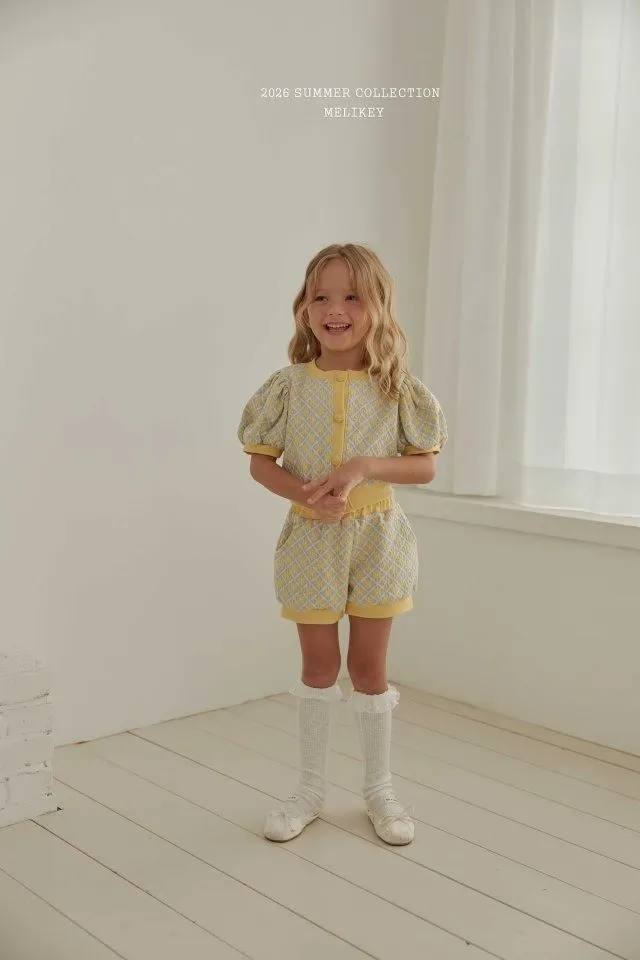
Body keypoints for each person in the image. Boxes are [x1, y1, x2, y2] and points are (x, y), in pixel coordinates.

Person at [238, 242, 447, 846]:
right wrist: (307, 496)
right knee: (319, 667)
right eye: (321, 297)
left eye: (352, 297)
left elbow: (425, 466)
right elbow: (260, 463)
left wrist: (362, 466)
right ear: (304, 308)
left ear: (378, 306)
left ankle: (379, 791)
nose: (336, 310)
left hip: (379, 540)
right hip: (311, 543)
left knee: (369, 669)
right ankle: (309, 789)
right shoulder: (287, 386)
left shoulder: (398, 388)